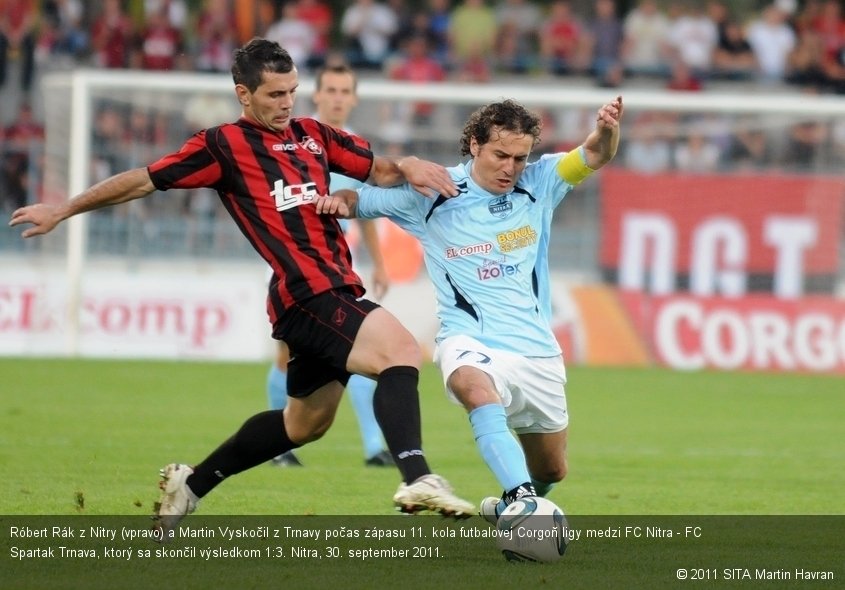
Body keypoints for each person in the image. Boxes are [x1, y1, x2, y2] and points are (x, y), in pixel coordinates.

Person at [8, 38, 475, 532]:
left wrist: (407, 166)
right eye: (275, 95)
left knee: (305, 425)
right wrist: (63, 209)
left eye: (292, 91)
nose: (287, 102)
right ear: (243, 94)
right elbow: (144, 179)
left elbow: (378, 169)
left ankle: (190, 486)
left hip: (329, 290)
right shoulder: (221, 146)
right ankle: (418, 477)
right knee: (399, 350)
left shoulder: (316, 134)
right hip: (309, 293)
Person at [316, 95, 623, 522]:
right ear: (475, 145)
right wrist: (338, 203)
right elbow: (358, 200)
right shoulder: (434, 192)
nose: (511, 167)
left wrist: (607, 131)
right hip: (470, 339)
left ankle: (508, 504)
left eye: (519, 157)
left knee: (552, 469)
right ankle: (523, 502)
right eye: (501, 155)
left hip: (537, 351)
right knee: (474, 388)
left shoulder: (541, 181)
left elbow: (594, 153)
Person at [269, 62, 393, 469]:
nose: (338, 97)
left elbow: (367, 208)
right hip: (296, 264)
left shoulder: (355, 147)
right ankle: (281, 446)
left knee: (357, 352)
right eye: (331, 90)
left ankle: (375, 445)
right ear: (317, 95)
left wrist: (379, 263)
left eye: (345, 91)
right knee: (286, 356)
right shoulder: (293, 141)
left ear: (354, 98)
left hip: (339, 268)